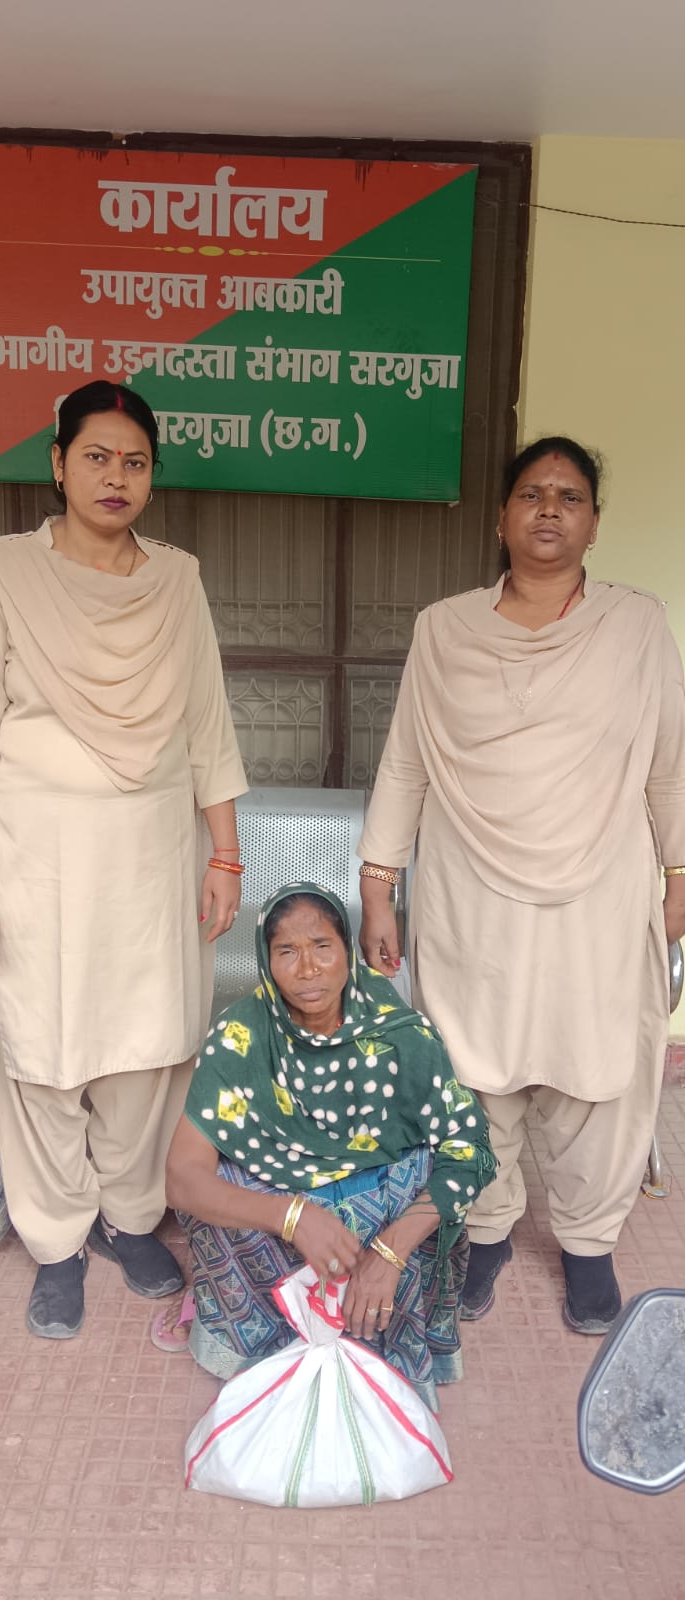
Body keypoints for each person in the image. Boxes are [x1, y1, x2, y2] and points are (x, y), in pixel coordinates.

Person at [357, 436, 685, 1335]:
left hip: (599, 894)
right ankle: (488, 1229)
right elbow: (406, 761)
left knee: (598, 1077)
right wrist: (379, 885)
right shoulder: (445, 629)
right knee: (474, 1074)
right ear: (502, 519)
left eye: (570, 497)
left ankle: (588, 1244)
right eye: (532, 494)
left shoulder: (636, 627)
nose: (550, 509)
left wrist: (679, 876)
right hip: (471, 894)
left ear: (594, 523)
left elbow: (670, 765)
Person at [0, 380, 248, 1339]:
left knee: (147, 1046)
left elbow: (207, 724)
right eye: (96, 457)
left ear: (153, 474)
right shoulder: (2, 575)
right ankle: (56, 1241)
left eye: (134, 461)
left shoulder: (177, 581)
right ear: (57, 464)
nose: (115, 477)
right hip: (36, 862)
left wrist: (226, 857)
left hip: (154, 856)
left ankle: (128, 1218)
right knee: (42, 1049)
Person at [157, 883, 495, 1411]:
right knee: (215, 1193)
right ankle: (260, 1335)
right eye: (286, 951)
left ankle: (377, 1331)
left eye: (322, 946)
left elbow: (470, 1149)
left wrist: (390, 1251)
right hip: (281, 1220)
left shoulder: (399, 1033)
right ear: (266, 961)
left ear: (347, 950)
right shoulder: (242, 1034)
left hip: (380, 1226)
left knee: (429, 1173)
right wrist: (291, 1217)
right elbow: (182, 1176)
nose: (308, 969)